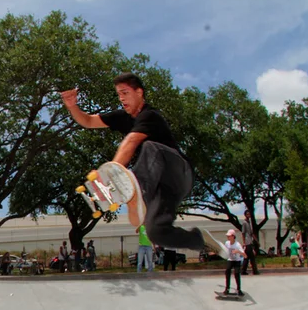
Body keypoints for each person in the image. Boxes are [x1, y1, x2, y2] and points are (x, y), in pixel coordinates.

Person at [60, 73, 220, 254]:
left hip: (178, 170)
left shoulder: (150, 116)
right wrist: (72, 106)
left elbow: (131, 142)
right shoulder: (122, 117)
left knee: (151, 148)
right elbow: (88, 121)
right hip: (163, 188)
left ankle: (137, 195)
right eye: (119, 94)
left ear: (139, 92)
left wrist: (109, 175)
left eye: (125, 93)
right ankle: (198, 240)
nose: (121, 98)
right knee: (155, 232)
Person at [222, 229, 247, 296]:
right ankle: (227, 289)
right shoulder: (227, 243)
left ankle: (239, 290)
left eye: (229, 236)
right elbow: (224, 250)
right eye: (227, 236)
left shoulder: (237, 245)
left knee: (236, 273)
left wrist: (238, 251)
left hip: (237, 261)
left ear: (233, 236)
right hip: (230, 260)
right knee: (227, 271)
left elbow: (245, 256)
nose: (228, 237)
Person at [241, 210, 259, 275]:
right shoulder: (244, 223)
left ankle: (243, 271)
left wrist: (256, 241)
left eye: (249, 214)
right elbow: (243, 233)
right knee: (252, 257)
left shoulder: (249, 223)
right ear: (245, 215)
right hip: (247, 242)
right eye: (247, 214)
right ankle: (255, 271)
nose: (249, 215)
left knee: (247, 257)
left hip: (250, 242)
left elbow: (251, 233)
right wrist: (244, 243)